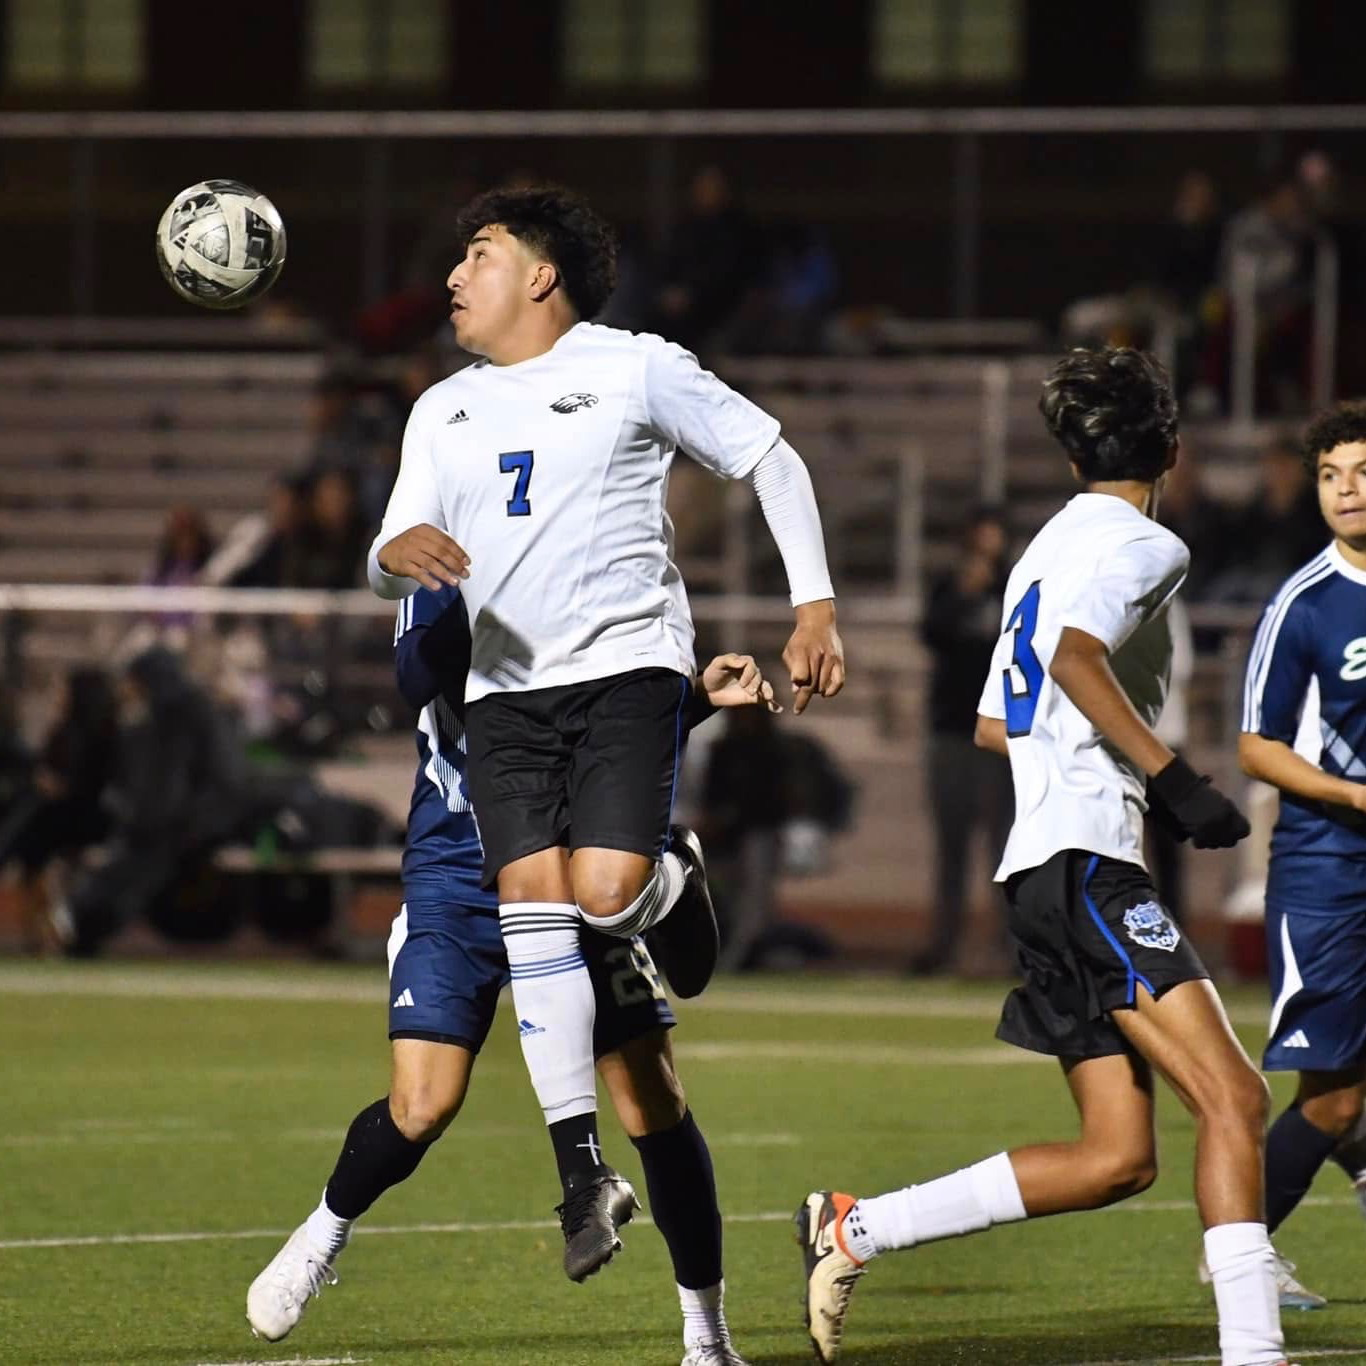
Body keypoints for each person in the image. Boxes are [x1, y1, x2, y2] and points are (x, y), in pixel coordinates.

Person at [366, 184, 843, 1251]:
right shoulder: (440, 408)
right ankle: (580, 1173)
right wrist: (385, 556)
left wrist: (811, 602)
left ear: (540, 274)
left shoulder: (635, 365)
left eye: (478, 254)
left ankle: (666, 877)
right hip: (503, 697)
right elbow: (392, 544)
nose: (453, 276)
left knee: (605, 891)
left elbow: (767, 453)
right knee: (541, 906)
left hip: (625, 670)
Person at [795, 349, 1293, 1366]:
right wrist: (1168, 777)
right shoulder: (1150, 545)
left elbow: (994, 720)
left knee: (1117, 1157)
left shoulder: (1042, 547)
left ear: (1071, 462)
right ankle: (1256, 1353)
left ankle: (857, 1227)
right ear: (1172, 452)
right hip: (1088, 864)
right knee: (1235, 1101)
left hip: (1038, 869)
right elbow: (1075, 657)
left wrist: (1087, 759)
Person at [247, 583, 780, 1366]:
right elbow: (415, 673)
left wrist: (689, 698)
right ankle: (321, 1233)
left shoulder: (591, 544)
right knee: (422, 1103)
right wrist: (475, 582)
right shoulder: (457, 541)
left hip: (570, 856)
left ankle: (708, 1337)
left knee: (653, 1098)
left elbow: (614, 717)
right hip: (460, 862)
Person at [1231, 402, 1366, 1303]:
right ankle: (1236, 1251)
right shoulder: (1305, 603)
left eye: (1359, 471)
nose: (1345, 491)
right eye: (1329, 476)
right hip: (1329, 870)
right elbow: (1257, 745)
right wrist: (1357, 795)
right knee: (1334, 1097)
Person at [916, 506, 1013, 974]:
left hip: (996, 733)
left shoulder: (1015, 588)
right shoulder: (947, 586)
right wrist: (962, 594)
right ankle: (944, 946)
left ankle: (1015, 951)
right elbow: (930, 633)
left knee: (1006, 848)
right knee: (951, 848)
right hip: (952, 731)